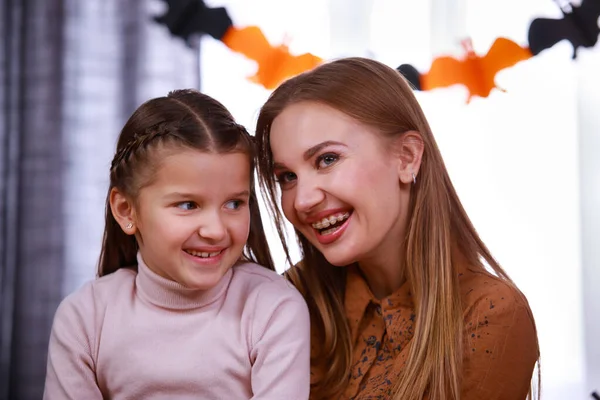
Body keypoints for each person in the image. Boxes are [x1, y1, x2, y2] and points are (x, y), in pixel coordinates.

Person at [254, 57, 539, 400]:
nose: (302, 200)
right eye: (287, 177)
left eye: (327, 159)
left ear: (406, 157)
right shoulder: (287, 302)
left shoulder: (489, 315)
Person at [43, 89, 310, 400]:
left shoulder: (274, 308)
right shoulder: (84, 318)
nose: (215, 230)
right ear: (126, 211)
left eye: (235, 204)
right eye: (188, 205)